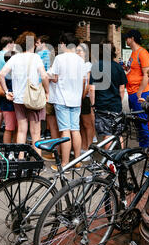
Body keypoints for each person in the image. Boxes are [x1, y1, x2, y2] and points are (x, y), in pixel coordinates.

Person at [0, 31, 49, 156]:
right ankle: (37, 161)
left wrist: (6, 92)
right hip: (33, 99)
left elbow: (1, 75)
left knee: (21, 130)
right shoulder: (36, 58)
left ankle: (20, 159)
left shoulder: (15, 58)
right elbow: (44, 76)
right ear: (33, 45)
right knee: (36, 132)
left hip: (18, 99)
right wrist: (47, 92)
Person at [49, 32, 86, 170]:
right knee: (75, 130)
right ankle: (77, 161)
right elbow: (83, 81)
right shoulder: (80, 60)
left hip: (62, 99)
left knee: (65, 131)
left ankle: (64, 163)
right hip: (76, 100)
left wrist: (47, 74)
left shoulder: (60, 58)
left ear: (64, 43)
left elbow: (55, 78)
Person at [89, 41, 127, 147]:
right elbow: (122, 88)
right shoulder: (118, 67)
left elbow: (92, 88)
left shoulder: (96, 66)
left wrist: (93, 104)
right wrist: (118, 100)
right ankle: (119, 158)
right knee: (118, 134)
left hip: (102, 105)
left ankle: (109, 162)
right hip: (115, 106)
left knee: (107, 135)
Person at [124, 30, 149, 149]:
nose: (126, 40)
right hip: (132, 91)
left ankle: (146, 148)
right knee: (137, 121)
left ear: (132, 38)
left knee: (142, 121)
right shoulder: (133, 53)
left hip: (139, 93)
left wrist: (139, 92)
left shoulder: (142, 53)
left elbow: (147, 74)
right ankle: (142, 147)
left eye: (127, 38)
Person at [76, 42, 95, 155]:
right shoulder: (77, 65)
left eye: (80, 51)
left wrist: (82, 97)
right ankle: (83, 145)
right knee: (81, 124)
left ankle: (89, 147)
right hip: (76, 98)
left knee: (87, 124)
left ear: (86, 53)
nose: (78, 53)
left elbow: (87, 84)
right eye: (76, 51)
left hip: (84, 98)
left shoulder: (88, 65)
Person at [0, 51, 17, 143]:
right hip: (8, 105)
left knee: (17, 128)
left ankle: (15, 150)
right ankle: (7, 151)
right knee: (9, 128)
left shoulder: (11, 71)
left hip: (14, 104)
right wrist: (9, 93)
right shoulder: (6, 72)